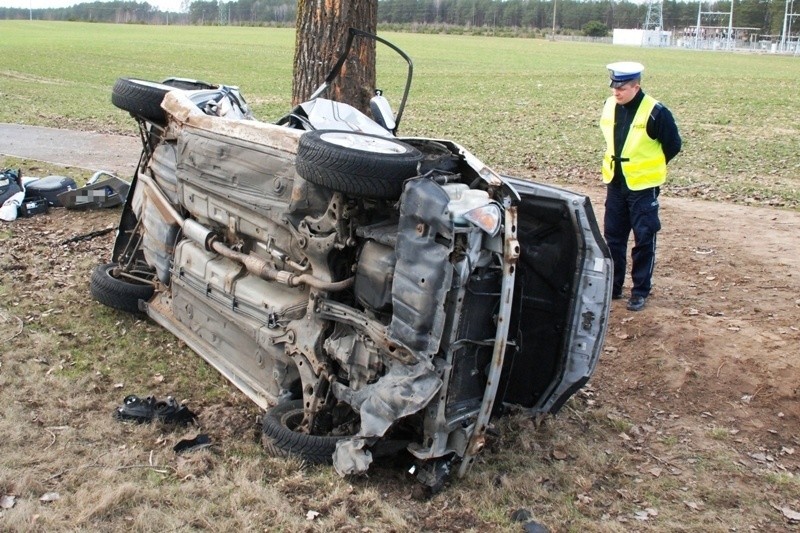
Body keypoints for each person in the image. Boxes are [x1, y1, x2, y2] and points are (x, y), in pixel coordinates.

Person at [599, 61, 681, 312]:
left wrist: (650, 166)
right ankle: (613, 287)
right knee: (613, 238)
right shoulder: (610, 105)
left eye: (622, 88)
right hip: (616, 182)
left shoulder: (656, 112)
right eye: (614, 87)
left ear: (637, 86)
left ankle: (640, 291)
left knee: (644, 238)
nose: (616, 92)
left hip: (643, 187)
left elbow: (673, 145)